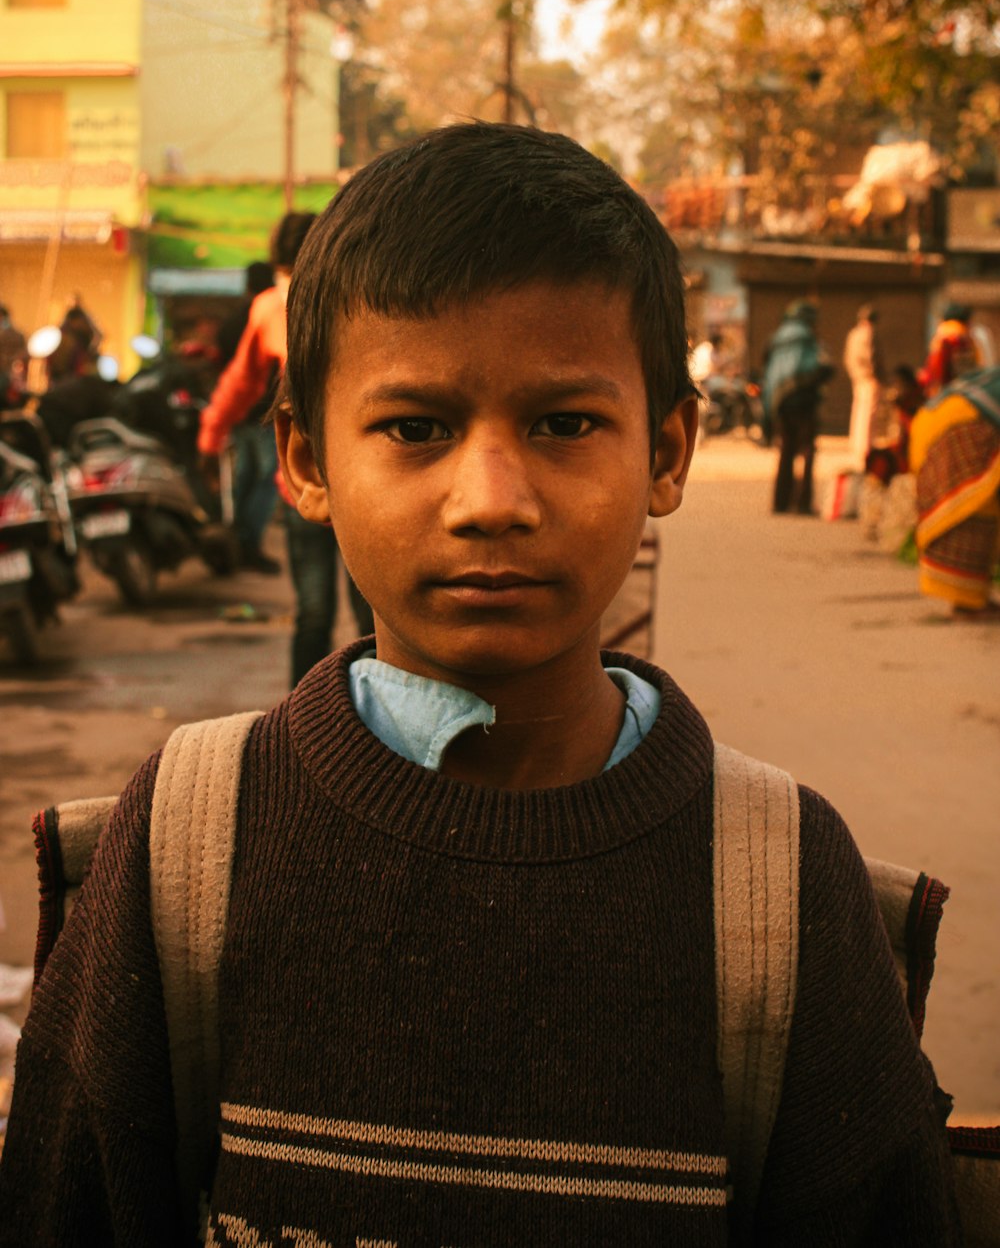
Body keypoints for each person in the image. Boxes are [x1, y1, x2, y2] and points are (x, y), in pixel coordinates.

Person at [0, 125, 958, 1245]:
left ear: (666, 452)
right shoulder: (187, 843)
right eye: (416, 429)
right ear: (306, 462)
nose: (490, 498)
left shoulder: (779, 891)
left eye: (564, 425)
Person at [198, 212, 374, 678]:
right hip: (362, 479)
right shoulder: (358, 293)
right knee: (372, 617)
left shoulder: (272, 306)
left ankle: (306, 725)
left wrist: (210, 436)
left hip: (311, 484)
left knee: (317, 613)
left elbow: (240, 382)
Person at [909, 362, 1000, 618]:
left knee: (979, 510)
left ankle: (973, 598)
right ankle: (968, 604)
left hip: (935, 421)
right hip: (959, 428)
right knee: (972, 511)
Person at [214, 260, 280, 573]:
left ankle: (236, 540)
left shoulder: (231, 323)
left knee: (244, 477)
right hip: (264, 414)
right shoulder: (269, 317)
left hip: (240, 414)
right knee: (267, 479)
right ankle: (247, 543)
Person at [762, 301, 834, 514]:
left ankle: (780, 502)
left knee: (785, 451)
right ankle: (802, 503)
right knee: (807, 451)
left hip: (781, 404)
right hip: (805, 403)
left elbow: (769, 371)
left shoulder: (775, 339)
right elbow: (825, 367)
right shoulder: (809, 339)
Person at [843, 303, 883, 469]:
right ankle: (866, 449)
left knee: (859, 412)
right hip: (869, 378)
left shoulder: (853, 334)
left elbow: (847, 357)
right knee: (869, 415)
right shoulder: (869, 333)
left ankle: (857, 446)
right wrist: (878, 377)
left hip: (857, 377)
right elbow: (872, 358)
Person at [918, 303, 982, 398]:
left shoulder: (941, 334)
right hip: (954, 392)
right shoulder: (960, 338)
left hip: (938, 391)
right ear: (967, 320)